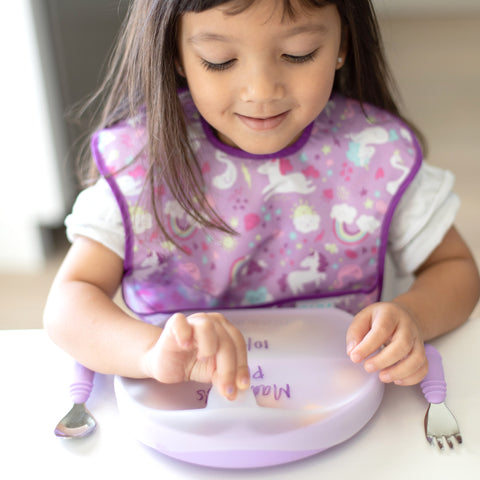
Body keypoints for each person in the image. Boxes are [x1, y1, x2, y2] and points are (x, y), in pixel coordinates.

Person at [44, 0, 480, 402]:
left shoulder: (374, 154)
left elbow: (455, 268)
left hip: (338, 400)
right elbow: (70, 301)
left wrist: (413, 317)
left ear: (343, 41)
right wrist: (149, 352)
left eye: (299, 53)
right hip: (186, 410)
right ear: (176, 54)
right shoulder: (145, 163)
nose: (261, 90)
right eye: (220, 60)